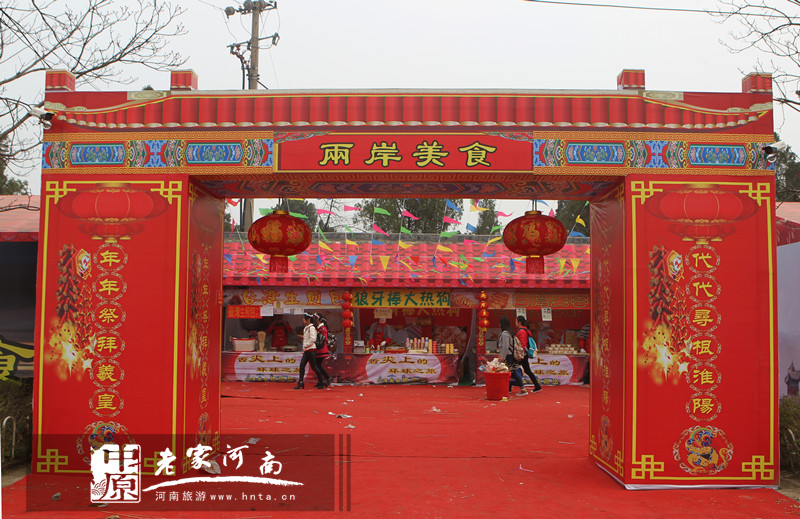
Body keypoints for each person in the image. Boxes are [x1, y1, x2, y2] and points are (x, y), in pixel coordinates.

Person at [295, 313, 326, 390]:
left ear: (308, 319)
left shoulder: (311, 328)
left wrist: (306, 345)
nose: (303, 320)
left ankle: (321, 381)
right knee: (302, 366)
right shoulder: (306, 328)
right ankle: (301, 382)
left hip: (311, 349)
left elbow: (313, 339)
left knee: (314, 367)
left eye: (304, 318)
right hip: (307, 350)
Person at [498, 316, 526, 396]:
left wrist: (502, 358)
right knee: (512, 372)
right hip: (510, 355)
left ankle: (522, 389)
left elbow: (505, 346)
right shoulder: (509, 333)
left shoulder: (505, 334)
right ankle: (512, 388)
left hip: (508, 356)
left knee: (509, 372)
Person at [516, 316, 543, 393]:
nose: (515, 323)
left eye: (516, 321)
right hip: (524, 354)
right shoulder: (524, 331)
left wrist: (520, 354)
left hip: (522, 354)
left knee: (513, 369)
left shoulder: (521, 331)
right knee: (527, 370)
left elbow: (522, 343)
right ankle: (537, 386)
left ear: (519, 322)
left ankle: (515, 387)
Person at [313, 313, 332, 388]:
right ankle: (320, 380)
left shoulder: (322, 328)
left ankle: (327, 378)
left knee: (317, 366)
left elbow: (324, 339)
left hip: (321, 349)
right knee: (317, 366)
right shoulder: (319, 328)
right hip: (319, 349)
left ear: (318, 319)